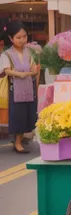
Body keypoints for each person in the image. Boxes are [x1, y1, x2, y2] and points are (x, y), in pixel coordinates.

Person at [0, 22, 40, 154]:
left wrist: (34, 71)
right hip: (15, 89)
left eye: (24, 36)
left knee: (28, 114)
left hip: (29, 88)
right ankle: (17, 142)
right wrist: (22, 74)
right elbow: (7, 71)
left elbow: (34, 68)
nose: (22, 40)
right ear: (11, 39)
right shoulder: (6, 54)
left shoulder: (30, 52)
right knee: (18, 115)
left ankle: (21, 139)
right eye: (18, 37)